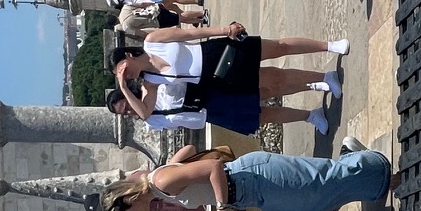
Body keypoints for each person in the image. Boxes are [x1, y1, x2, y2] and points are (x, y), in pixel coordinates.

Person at [101, 142, 393, 211]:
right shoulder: (159, 183)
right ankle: (352, 160)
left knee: (322, 181)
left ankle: (372, 166)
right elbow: (188, 149)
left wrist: (221, 206)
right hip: (253, 192)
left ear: (129, 199)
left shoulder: (160, 182)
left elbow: (213, 167)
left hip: (251, 176)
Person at [110, 23, 345, 138]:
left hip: (213, 52)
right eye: (121, 75)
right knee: (272, 80)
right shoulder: (150, 81)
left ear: (128, 55)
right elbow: (145, 113)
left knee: (277, 48)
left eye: (123, 68)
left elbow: (190, 34)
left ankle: (329, 46)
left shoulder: (152, 41)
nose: (125, 73)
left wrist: (224, 29)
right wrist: (123, 86)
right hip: (215, 77)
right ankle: (324, 77)